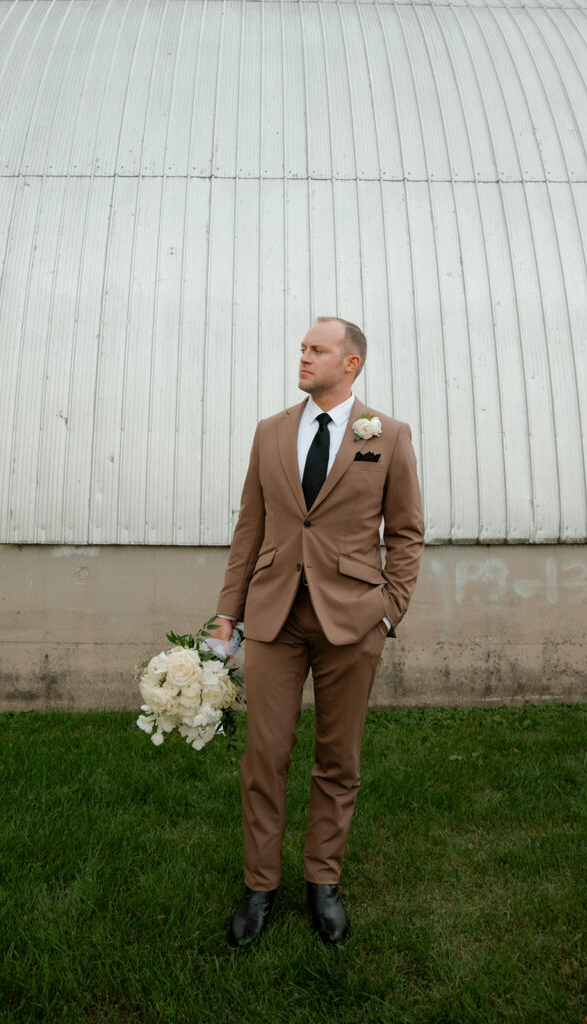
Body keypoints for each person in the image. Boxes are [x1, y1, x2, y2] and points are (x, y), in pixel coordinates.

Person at [209, 316, 424, 946]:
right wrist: (228, 616)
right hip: (275, 615)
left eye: (317, 350)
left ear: (350, 363)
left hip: (354, 619)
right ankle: (260, 885)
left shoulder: (387, 436)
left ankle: (322, 880)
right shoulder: (270, 432)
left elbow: (406, 532)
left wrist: (390, 609)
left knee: (338, 759)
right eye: (302, 347)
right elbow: (249, 529)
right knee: (263, 756)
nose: (303, 357)